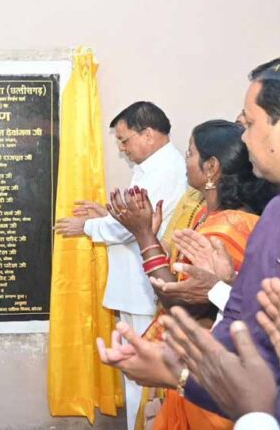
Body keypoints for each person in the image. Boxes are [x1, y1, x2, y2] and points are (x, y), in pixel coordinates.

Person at [96, 49, 280, 429]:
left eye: (249, 123)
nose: (244, 138)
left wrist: (181, 376)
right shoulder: (277, 211)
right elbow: (238, 323)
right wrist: (179, 364)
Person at [107, 120, 278, 429]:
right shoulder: (204, 214)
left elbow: (182, 304)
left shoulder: (228, 228)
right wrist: (153, 238)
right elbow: (181, 279)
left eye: (190, 153)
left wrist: (144, 236)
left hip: (210, 370)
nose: (185, 161)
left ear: (211, 167)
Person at [55, 101, 187, 429]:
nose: (122, 149)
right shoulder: (151, 167)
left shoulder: (165, 169)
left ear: (149, 134)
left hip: (146, 287)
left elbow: (134, 228)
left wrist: (86, 226)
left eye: (125, 140)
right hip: (135, 286)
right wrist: (107, 213)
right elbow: (134, 218)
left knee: (143, 375)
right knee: (134, 373)